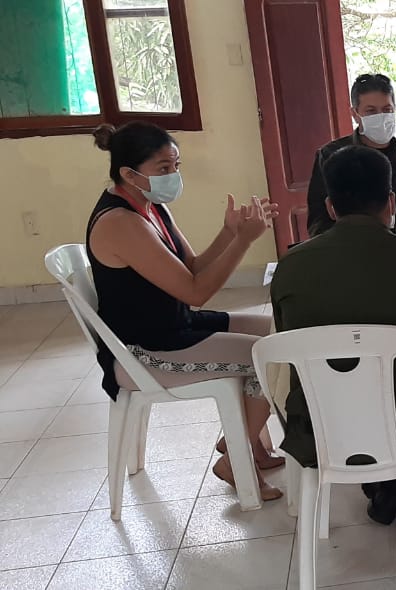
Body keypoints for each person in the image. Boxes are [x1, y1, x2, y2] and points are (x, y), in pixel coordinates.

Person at [272, 145, 396, 525]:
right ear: (392, 203)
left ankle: (385, 483)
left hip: (324, 421)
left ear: (330, 208)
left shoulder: (292, 267)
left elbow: (291, 347)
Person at [87, 122, 283, 500]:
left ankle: (246, 445)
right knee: (273, 357)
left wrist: (229, 232)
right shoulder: (120, 223)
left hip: (175, 325)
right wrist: (244, 241)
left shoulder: (149, 207)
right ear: (129, 174)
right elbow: (198, 291)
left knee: (280, 333)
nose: (174, 175)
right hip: (144, 351)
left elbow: (191, 266)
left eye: (176, 165)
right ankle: (236, 457)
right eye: (163, 168)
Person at [306, 73, 396, 238]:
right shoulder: (330, 156)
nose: (381, 117)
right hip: (349, 253)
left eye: (387, 110)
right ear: (355, 114)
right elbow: (318, 219)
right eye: (371, 111)